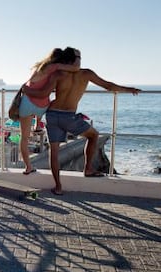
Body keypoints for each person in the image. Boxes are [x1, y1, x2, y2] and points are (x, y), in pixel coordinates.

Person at [24, 47, 141, 195]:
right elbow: (108, 86)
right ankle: (88, 168)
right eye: (79, 57)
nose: (81, 59)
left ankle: (58, 187)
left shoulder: (59, 74)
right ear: (74, 60)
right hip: (69, 117)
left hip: (52, 115)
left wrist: (26, 90)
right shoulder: (86, 74)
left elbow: (43, 93)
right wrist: (129, 89)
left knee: (54, 152)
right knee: (93, 136)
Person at [18, 48, 80, 175]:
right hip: (42, 105)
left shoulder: (38, 67)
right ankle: (37, 124)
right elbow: (76, 69)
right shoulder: (54, 67)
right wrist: (77, 57)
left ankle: (28, 167)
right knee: (50, 104)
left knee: (24, 138)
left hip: (27, 103)